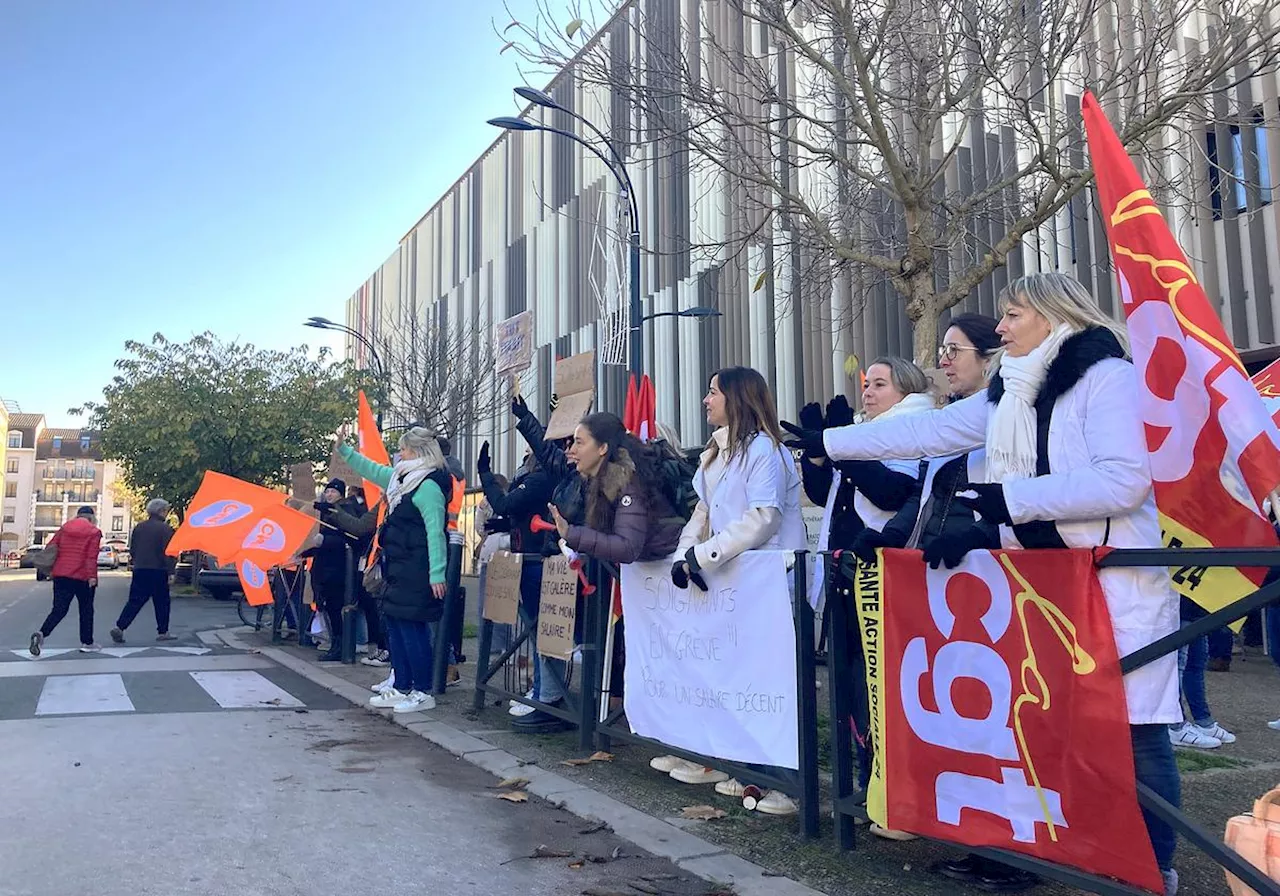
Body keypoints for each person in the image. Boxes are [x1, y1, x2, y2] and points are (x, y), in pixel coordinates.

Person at [788, 272, 1183, 894]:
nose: (1000, 328)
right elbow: (927, 432)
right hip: (1040, 584)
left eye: (1013, 314)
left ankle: (1154, 869)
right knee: (1041, 729)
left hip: (1113, 585)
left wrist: (1006, 503)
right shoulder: (1009, 391)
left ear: (1053, 316)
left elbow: (1122, 481)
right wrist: (833, 444)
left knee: (1134, 733)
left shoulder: (1108, 378)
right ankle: (1046, 855)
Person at [657, 366, 807, 817]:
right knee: (734, 678)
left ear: (737, 398)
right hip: (735, 586)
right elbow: (702, 513)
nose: (706, 400)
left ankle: (788, 784)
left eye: (713, 392)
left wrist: (705, 557)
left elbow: (764, 518)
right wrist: (684, 556)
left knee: (773, 684)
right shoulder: (713, 456)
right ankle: (738, 767)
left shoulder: (766, 450)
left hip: (772, 585)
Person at [794, 356, 935, 838]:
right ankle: (862, 790)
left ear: (906, 390)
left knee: (884, 691)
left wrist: (841, 448)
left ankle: (895, 799)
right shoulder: (865, 433)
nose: (868, 392)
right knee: (852, 689)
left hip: (882, 577)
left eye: (879, 384)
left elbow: (893, 494)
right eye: (866, 384)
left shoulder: (913, 428)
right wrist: (820, 453)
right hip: (845, 574)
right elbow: (824, 493)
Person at [337, 427, 450, 714]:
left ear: (418, 452)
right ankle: (402, 685)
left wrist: (437, 573)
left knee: (412, 629)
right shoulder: (402, 479)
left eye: (404, 449)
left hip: (417, 567)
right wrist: (346, 451)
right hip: (399, 566)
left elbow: (435, 532)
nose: (399, 454)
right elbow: (372, 470)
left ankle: (421, 690)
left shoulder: (427, 486)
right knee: (397, 627)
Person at [512, 394, 588, 732]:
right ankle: (547, 696)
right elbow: (545, 450)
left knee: (566, 638)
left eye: (577, 444)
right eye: (568, 443)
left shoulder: (593, 480)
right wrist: (525, 414)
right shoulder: (567, 473)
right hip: (557, 562)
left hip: (582, 568)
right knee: (549, 634)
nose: (569, 449)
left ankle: (563, 704)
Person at [477, 437, 557, 717]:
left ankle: (544, 693)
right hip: (532, 555)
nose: (524, 456)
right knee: (536, 630)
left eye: (528, 451)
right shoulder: (539, 477)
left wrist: (485, 474)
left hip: (535, 559)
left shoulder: (538, 480)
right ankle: (541, 690)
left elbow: (505, 503)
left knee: (539, 630)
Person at [299, 478, 361, 662]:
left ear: (340, 493)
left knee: (336, 611)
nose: (329, 495)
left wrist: (324, 541)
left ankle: (340, 647)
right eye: (327, 492)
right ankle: (336, 645)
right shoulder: (329, 512)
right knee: (331, 611)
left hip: (337, 571)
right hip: (326, 569)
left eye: (333, 492)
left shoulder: (344, 511)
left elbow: (348, 540)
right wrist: (306, 552)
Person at [30, 506, 103, 655]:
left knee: (59, 609)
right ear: (91, 518)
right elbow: (91, 556)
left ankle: (42, 633)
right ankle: (87, 642)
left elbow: (51, 547)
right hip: (82, 577)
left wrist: (52, 569)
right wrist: (92, 577)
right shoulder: (94, 532)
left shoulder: (64, 528)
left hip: (61, 575)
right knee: (86, 610)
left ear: (77, 516)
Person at [1168, 597, 1236, 748]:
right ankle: (1175, 726)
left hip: (1198, 608)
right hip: (1180, 608)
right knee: (1179, 666)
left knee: (1195, 664)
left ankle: (1204, 721)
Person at [110, 498, 176, 644]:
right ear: (161, 511)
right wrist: (171, 571)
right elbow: (169, 552)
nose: (167, 513)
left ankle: (120, 627)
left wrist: (137, 561)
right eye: (166, 510)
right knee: (162, 602)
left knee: (135, 601)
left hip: (140, 569)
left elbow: (133, 549)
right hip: (159, 569)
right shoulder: (166, 529)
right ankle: (163, 631)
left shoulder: (139, 527)